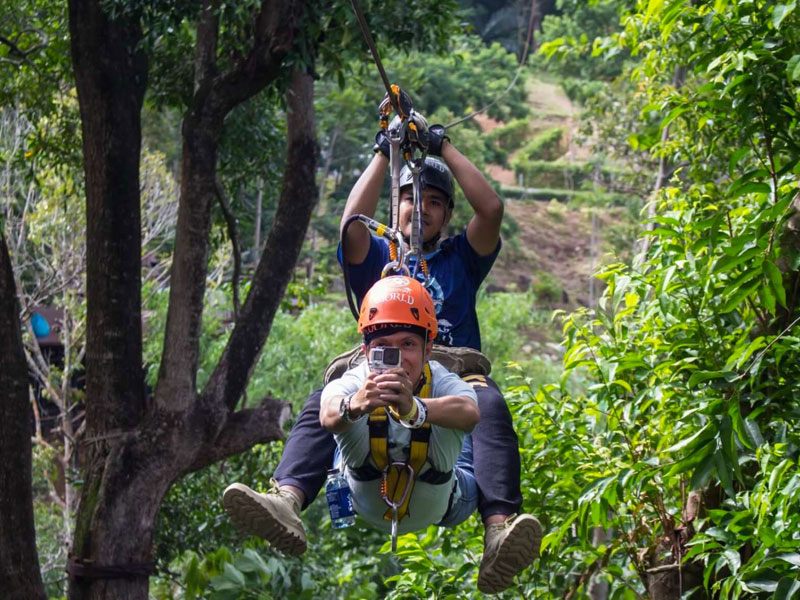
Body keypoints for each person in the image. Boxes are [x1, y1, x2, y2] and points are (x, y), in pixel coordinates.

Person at [223, 116, 542, 594]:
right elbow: (352, 225)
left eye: (435, 202)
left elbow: (492, 209)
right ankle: (287, 500)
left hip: (451, 363)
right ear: (397, 204)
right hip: (379, 361)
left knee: (489, 405)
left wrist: (441, 147)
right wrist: (382, 152)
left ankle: (498, 529)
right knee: (321, 401)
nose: (424, 209)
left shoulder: (460, 257)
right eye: (414, 198)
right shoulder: (377, 254)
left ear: (447, 214)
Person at [319, 275, 480, 535]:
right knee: (341, 424)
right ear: (366, 352)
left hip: (450, 501)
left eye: (408, 345)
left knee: (461, 422)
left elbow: (470, 414)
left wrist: (415, 410)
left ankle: (500, 520)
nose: (398, 360)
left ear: (428, 350)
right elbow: (327, 414)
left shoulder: (440, 378)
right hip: (363, 493)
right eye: (383, 348)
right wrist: (355, 405)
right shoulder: (357, 379)